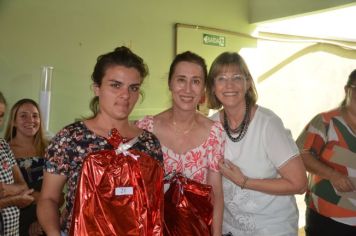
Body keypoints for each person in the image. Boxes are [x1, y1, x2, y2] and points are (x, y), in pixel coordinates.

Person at [37, 46, 164, 236]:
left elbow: (154, 203)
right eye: (115, 85)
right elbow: (48, 198)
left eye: (133, 88)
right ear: (97, 88)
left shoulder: (148, 143)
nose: (125, 95)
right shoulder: (71, 139)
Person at [206, 52, 307, 236]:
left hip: (272, 228)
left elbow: (300, 184)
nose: (229, 85)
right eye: (221, 78)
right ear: (213, 87)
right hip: (231, 228)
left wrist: (244, 181)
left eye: (237, 77)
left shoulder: (267, 124)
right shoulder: (211, 125)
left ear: (248, 83)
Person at [136, 51, 224, 235]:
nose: (188, 89)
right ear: (170, 83)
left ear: (203, 89)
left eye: (196, 81)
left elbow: (215, 191)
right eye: (181, 80)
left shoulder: (214, 132)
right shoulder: (146, 128)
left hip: (196, 230)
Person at [296, 69, 356, 236]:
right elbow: (300, 154)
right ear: (347, 90)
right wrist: (333, 175)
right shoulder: (326, 122)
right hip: (327, 219)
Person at [4, 98, 48, 236]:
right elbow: (6, 191)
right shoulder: (4, 151)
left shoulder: (50, 149)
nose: (31, 120)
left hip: (46, 220)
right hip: (15, 222)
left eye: (35, 115)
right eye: (23, 116)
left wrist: (42, 221)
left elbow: (60, 196)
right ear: (13, 121)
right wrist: (46, 199)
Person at [0, 92, 35, 236]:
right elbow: (19, 191)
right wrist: (14, 199)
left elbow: (23, 186)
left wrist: (4, 189)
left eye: (1, 115)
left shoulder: (3, 145)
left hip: (11, 230)